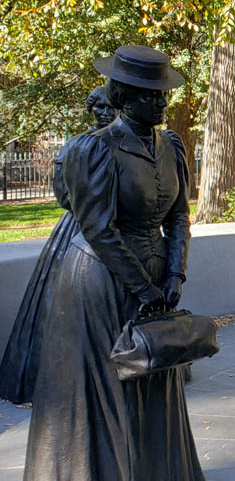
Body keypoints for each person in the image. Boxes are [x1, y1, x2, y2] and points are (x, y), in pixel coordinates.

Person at [23, 46, 203, 480]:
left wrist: (175, 273)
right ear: (123, 96)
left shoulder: (171, 145)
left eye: (163, 94)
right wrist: (144, 289)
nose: (161, 103)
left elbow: (179, 215)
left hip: (156, 275)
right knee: (108, 386)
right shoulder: (94, 148)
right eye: (151, 95)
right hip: (100, 281)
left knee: (153, 376)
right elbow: (99, 229)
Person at [0, 87, 116, 404]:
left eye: (112, 107)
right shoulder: (75, 147)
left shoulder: (124, 144)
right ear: (92, 110)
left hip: (116, 228)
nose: (107, 113)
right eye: (101, 108)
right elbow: (62, 195)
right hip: (79, 228)